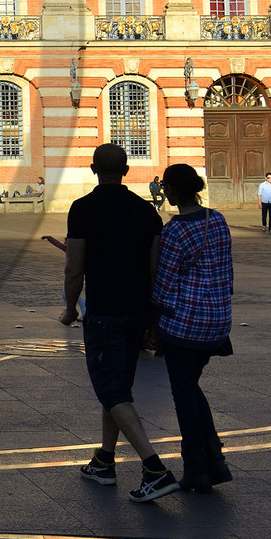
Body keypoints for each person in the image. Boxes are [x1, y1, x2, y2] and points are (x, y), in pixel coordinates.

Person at [60, 142, 177, 503]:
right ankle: (104, 461)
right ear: (127, 171)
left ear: (94, 169)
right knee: (118, 388)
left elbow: (74, 267)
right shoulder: (146, 212)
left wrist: (69, 308)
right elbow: (156, 269)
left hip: (105, 312)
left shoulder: (83, 209)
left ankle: (154, 468)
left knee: (110, 391)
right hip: (138, 311)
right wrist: (154, 316)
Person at [152, 162, 235, 493]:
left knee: (183, 392)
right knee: (191, 387)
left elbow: (164, 283)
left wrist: (152, 321)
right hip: (218, 320)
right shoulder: (217, 219)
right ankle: (214, 461)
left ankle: (198, 467)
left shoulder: (174, 230)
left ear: (170, 191)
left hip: (186, 324)